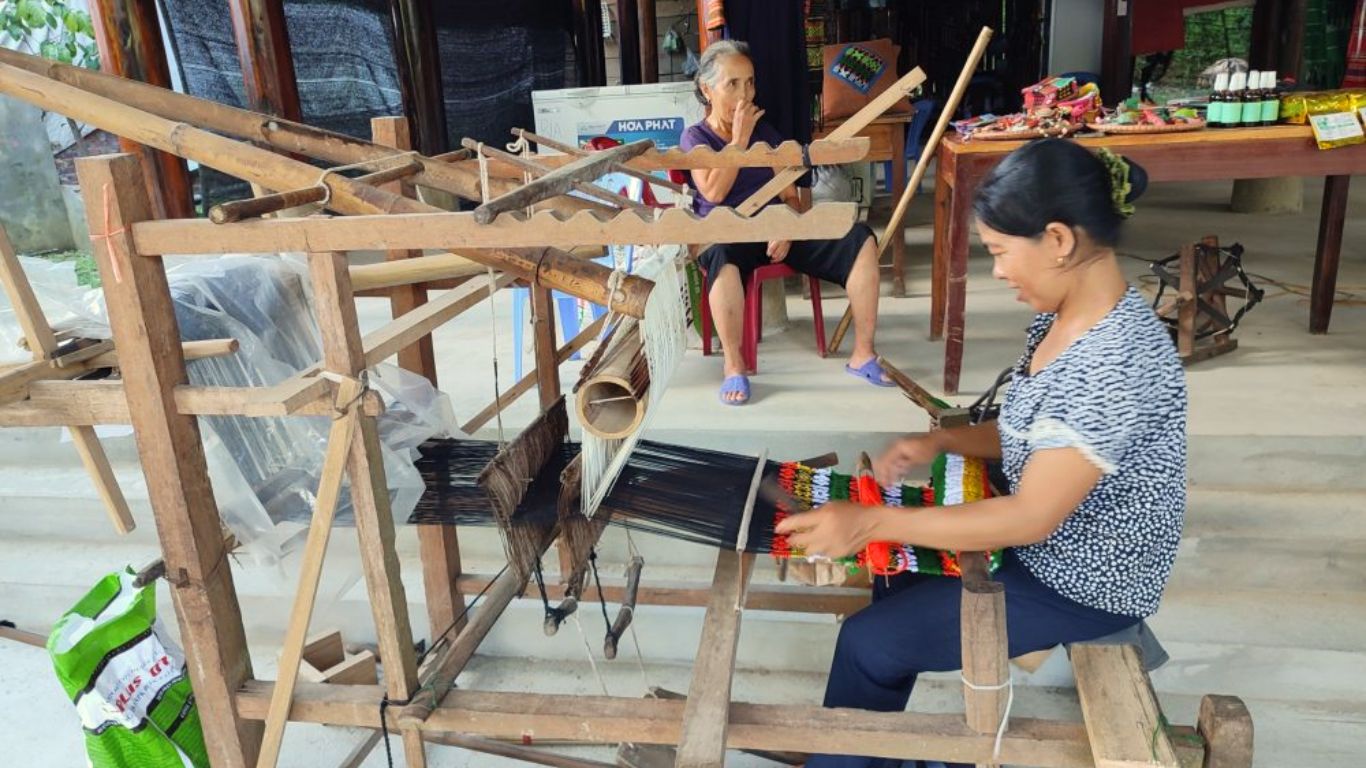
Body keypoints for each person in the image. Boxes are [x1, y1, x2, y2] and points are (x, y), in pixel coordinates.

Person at [774, 138, 1184, 768]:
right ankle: (864, 753)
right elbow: (1033, 433)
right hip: (1043, 552)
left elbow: (1031, 516)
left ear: (1057, 241)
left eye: (998, 252)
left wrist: (872, 520)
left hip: (1077, 583)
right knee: (893, 576)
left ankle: (850, 756)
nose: (995, 271)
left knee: (867, 643)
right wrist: (941, 441)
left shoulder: (1114, 361)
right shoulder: (1065, 317)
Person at [682, 39, 893, 406]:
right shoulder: (694, 138)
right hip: (726, 236)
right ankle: (735, 366)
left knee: (859, 238)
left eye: (749, 83)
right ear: (706, 90)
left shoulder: (766, 132)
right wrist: (739, 141)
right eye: (732, 84)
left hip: (777, 234)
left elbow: (791, 196)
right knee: (720, 256)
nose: (744, 93)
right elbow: (713, 192)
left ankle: (863, 354)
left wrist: (788, 226)